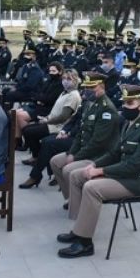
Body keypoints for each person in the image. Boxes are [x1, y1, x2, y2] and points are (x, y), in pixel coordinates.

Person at [56, 85, 140, 258]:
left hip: (137, 182)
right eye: (124, 103)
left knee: (92, 188)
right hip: (124, 175)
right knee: (77, 175)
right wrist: (94, 165)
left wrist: (100, 171)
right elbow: (115, 153)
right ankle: (78, 229)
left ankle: (85, 243)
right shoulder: (129, 125)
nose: (125, 107)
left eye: (130, 103)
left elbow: (134, 166)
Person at [49, 72, 119, 208]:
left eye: (92, 88)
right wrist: (71, 152)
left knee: (68, 170)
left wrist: (76, 157)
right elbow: (81, 132)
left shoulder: (107, 109)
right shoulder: (89, 103)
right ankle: (72, 197)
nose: (88, 91)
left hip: (98, 155)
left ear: (101, 87)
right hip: (84, 149)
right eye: (86, 87)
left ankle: (78, 206)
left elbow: (98, 142)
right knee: (55, 162)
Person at [20, 69, 82, 187]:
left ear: (75, 80)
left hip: (58, 126)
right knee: (27, 130)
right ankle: (37, 159)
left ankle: (36, 172)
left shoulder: (74, 95)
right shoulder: (64, 92)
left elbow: (64, 116)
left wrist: (48, 120)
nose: (65, 81)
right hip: (53, 123)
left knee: (42, 139)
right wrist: (46, 118)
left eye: (69, 79)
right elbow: (56, 111)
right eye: (64, 79)